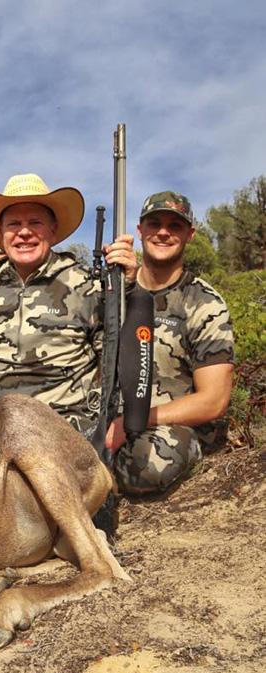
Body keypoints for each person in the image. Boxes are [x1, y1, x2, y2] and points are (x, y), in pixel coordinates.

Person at [0, 173, 137, 435]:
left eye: (35, 222)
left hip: (66, 430)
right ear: (1, 233)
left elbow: (116, 361)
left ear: (53, 230)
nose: (24, 232)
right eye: (14, 224)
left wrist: (128, 287)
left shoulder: (87, 284)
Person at [106, 191, 234, 494]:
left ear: (190, 234)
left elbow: (213, 401)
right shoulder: (115, 293)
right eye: (155, 224)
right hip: (113, 420)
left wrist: (133, 422)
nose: (163, 232)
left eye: (174, 226)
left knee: (147, 466)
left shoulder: (204, 303)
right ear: (140, 231)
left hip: (169, 425)